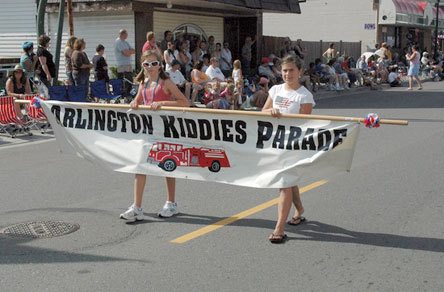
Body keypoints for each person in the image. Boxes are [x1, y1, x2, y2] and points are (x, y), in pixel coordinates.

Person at [120, 50, 189, 222]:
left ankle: (171, 203)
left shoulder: (166, 82)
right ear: (142, 67)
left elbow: (184, 102)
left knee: (168, 165)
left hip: (165, 129)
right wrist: (135, 103)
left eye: (154, 63)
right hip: (147, 130)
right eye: (146, 64)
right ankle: (137, 207)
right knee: (139, 165)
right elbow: (138, 100)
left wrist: (163, 103)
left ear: (159, 65)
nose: (150, 67)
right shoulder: (143, 83)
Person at [262, 55, 315, 244]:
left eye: (291, 70)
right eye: (284, 70)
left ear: (300, 72)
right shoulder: (275, 90)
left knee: (284, 183)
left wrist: (284, 116)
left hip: (293, 146)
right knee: (289, 181)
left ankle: (279, 229)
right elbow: (263, 112)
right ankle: (299, 211)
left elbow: (305, 123)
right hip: (275, 144)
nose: (287, 74)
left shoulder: (304, 95)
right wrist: (272, 111)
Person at [114, 29, 136, 98]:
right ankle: (125, 95)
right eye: (126, 34)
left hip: (128, 64)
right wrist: (129, 52)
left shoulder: (125, 42)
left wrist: (129, 52)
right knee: (125, 81)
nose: (127, 36)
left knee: (130, 80)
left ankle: (129, 94)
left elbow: (133, 50)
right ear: (122, 34)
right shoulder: (118, 42)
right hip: (122, 65)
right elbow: (126, 53)